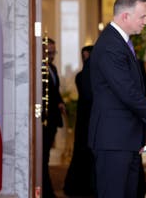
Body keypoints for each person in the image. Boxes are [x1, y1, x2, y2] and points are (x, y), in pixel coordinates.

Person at [88, 0, 146, 198]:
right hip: (113, 141)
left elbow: (134, 92)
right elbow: (127, 93)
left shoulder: (121, 42)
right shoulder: (111, 45)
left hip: (123, 140)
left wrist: (137, 137)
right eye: (142, 17)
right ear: (125, 16)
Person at [63, 45, 95, 196]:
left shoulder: (89, 76)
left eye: (87, 56)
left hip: (90, 119)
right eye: (84, 56)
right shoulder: (82, 76)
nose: (85, 59)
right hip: (85, 119)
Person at [42, 38, 67, 198]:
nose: (51, 56)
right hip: (43, 119)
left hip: (52, 118)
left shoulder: (53, 68)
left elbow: (55, 92)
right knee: (43, 156)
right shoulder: (39, 69)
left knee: (47, 155)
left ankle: (47, 189)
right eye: (49, 53)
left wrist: (60, 103)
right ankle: (45, 190)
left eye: (53, 52)